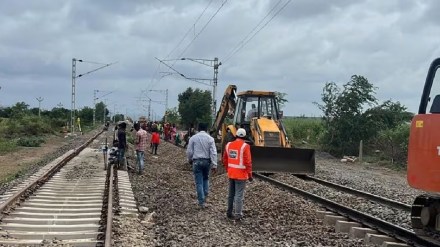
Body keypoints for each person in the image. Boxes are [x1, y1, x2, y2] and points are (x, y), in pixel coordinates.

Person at [222, 128, 252, 220]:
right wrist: (250, 175)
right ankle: (238, 214)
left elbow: (224, 159)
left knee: (231, 194)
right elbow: (248, 162)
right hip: (241, 175)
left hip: (231, 174)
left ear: (236, 135)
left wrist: (228, 169)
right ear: (244, 136)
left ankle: (229, 212)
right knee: (239, 195)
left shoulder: (228, 145)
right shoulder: (245, 146)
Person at [186, 123, 218, 209]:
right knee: (206, 178)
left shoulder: (193, 138)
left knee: (199, 182)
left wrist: (189, 159)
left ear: (198, 128)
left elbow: (189, 151)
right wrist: (214, 164)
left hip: (196, 161)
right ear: (207, 129)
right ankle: (205, 193)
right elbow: (213, 152)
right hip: (207, 162)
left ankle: (201, 202)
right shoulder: (210, 139)